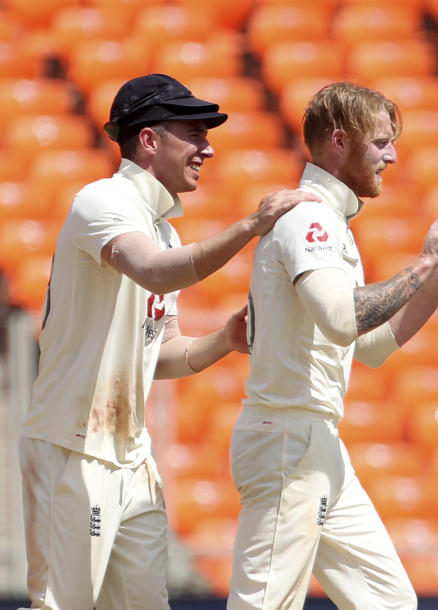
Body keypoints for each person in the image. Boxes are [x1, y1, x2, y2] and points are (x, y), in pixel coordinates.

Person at [18, 73, 317, 609]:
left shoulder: (164, 230)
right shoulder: (101, 200)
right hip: (72, 448)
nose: (208, 147)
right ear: (150, 139)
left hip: (131, 456)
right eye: (194, 132)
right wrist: (251, 225)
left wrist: (224, 339)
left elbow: (164, 355)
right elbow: (155, 273)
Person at [227, 81, 438, 609]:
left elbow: (371, 346)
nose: (392, 155)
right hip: (287, 442)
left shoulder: (328, 219)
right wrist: (424, 263)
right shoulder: (311, 218)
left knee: (389, 603)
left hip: (313, 441)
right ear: (339, 141)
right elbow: (344, 321)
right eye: (381, 142)